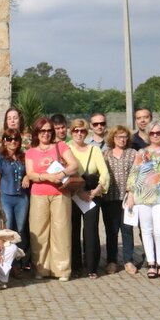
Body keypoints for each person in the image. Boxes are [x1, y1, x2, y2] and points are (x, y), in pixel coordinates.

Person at [25, 117, 80, 280]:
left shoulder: (60, 146)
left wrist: (61, 174)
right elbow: (30, 173)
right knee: (39, 232)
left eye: (49, 130)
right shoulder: (31, 151)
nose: (46, 134)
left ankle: (62, 270)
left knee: (61, 231)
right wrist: (48, 177)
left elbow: (74, 165)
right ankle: (41, 269)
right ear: (37, 132)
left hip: (60, 194)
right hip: (39, 193)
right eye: (42, 130)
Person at [125, 122, 160, 279]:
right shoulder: (141, 152)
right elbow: (134, 173)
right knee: (146, 231)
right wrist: (130, 193)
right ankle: (151, 263)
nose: (155, 135)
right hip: (142, 196)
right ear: (148, 135)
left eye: (158, 132)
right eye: (152, 133)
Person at [68, 119, 109, 279]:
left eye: (83, 131)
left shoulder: (94, 150)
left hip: (92, 195)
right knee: (73, 231)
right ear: (71, 132)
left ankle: (92, 266)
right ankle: (76, 266)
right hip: (73, 195)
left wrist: (97, 190)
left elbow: (104, 173)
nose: (79, 133)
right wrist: (79, 192)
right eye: (76, 130)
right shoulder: (67, 149)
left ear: (87, 133)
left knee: (91, 231)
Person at [101, 125, 137, 274]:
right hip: (109, 198)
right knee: (111, 231)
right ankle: (112, 261)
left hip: (128, 198)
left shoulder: (133, 153)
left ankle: (128, 260)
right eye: (118, 137)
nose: (122, 139)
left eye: (124, 136)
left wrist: (132, 193)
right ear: (113, 138)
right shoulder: (105, 153)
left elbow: (136, 174)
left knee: (127, 230)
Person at [0, 127, 29, 269]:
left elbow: (30, 171)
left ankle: (18, 263)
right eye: (9, 139)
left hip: (21, 198)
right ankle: (7, 263)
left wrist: (27, 176)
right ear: (4, 141)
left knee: (20, 230)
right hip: (6, 197)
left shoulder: (23, 157)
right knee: (8, 229)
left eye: (16, 139)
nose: (13, 142)